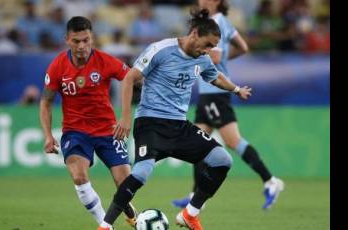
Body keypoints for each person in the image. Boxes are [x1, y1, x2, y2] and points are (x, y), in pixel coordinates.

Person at [98, 9, 252, 230]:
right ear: (195, 33)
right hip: (150, 122)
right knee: (141, 173)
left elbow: (215, 76)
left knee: (222, 160)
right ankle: (105, 225)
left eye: (212, 47)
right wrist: (124, 117)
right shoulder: (161, 50)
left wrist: (236, 89)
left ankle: (190, 214)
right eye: (208, 44)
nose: (209, 50)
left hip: (179, 126)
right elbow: (130, 78)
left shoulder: (203, 58)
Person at [172, 0, 284, 211]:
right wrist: (223, 61)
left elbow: (214, 58)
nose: (202, 1)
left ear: (217, 2)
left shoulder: (217, 23)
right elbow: (243, 47)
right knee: (199, 143)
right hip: (208, 94)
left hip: (216, 93)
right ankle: (196, 195)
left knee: (233, 141)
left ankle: (271, 181)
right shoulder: (219, 22)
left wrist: (188, 60)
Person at [39, 16, 137, 227]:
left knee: (125, 185)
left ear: (92, 38)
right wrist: (47, 135)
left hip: (108, 130)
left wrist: (126, 116)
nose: (82, 46)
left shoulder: (106, 61)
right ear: (67, 39)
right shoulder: (57, 66)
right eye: (76, 41)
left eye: (86, 40)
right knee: (79, 177)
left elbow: (132, 78)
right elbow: (46, 102)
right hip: (76, 132)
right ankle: (104, 223)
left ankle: (126, 205)